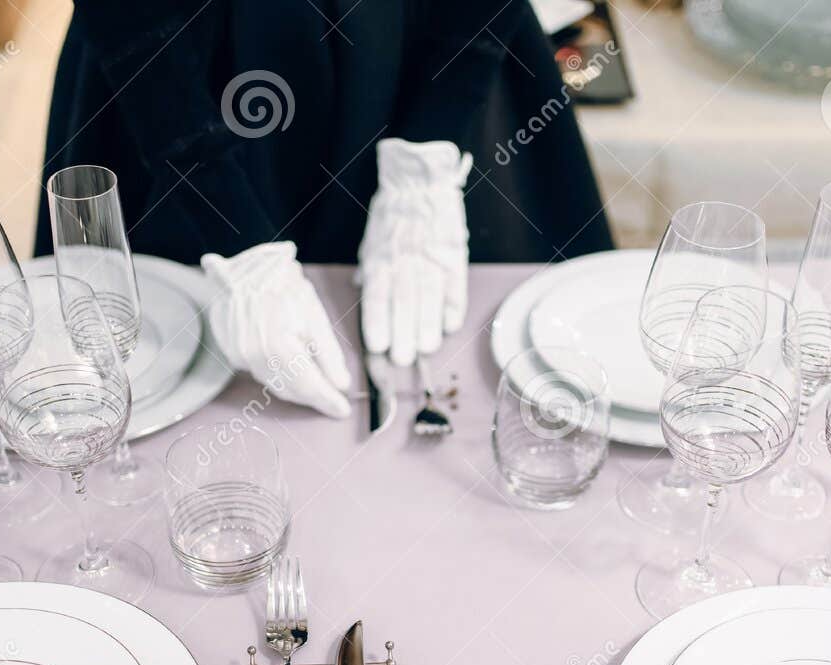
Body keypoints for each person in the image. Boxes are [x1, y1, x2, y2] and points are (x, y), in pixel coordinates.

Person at [37, 0, 612, 418]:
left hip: (439, 37)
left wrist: (434, 141)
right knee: (149, 387)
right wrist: (233, 233)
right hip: (169, 67)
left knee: (501, 378)